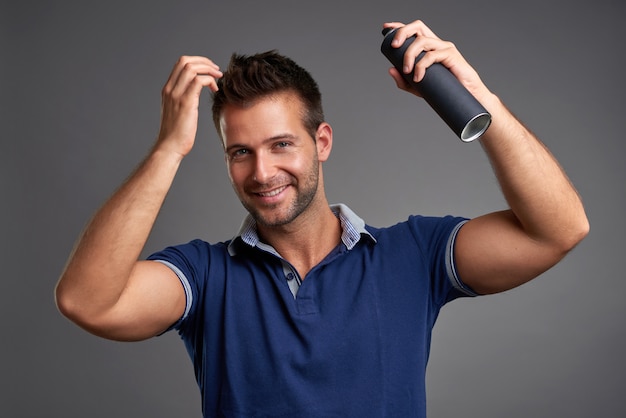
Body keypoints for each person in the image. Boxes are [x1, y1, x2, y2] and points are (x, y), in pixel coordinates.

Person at [55, 19, 589, 417]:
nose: (262, 172)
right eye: (240, 152)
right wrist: (168, 150)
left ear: (322, 142)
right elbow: (87, 300)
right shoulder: (204, 276)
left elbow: (559, 230)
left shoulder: (412, 256)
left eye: (281, 144)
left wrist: (481, 101)